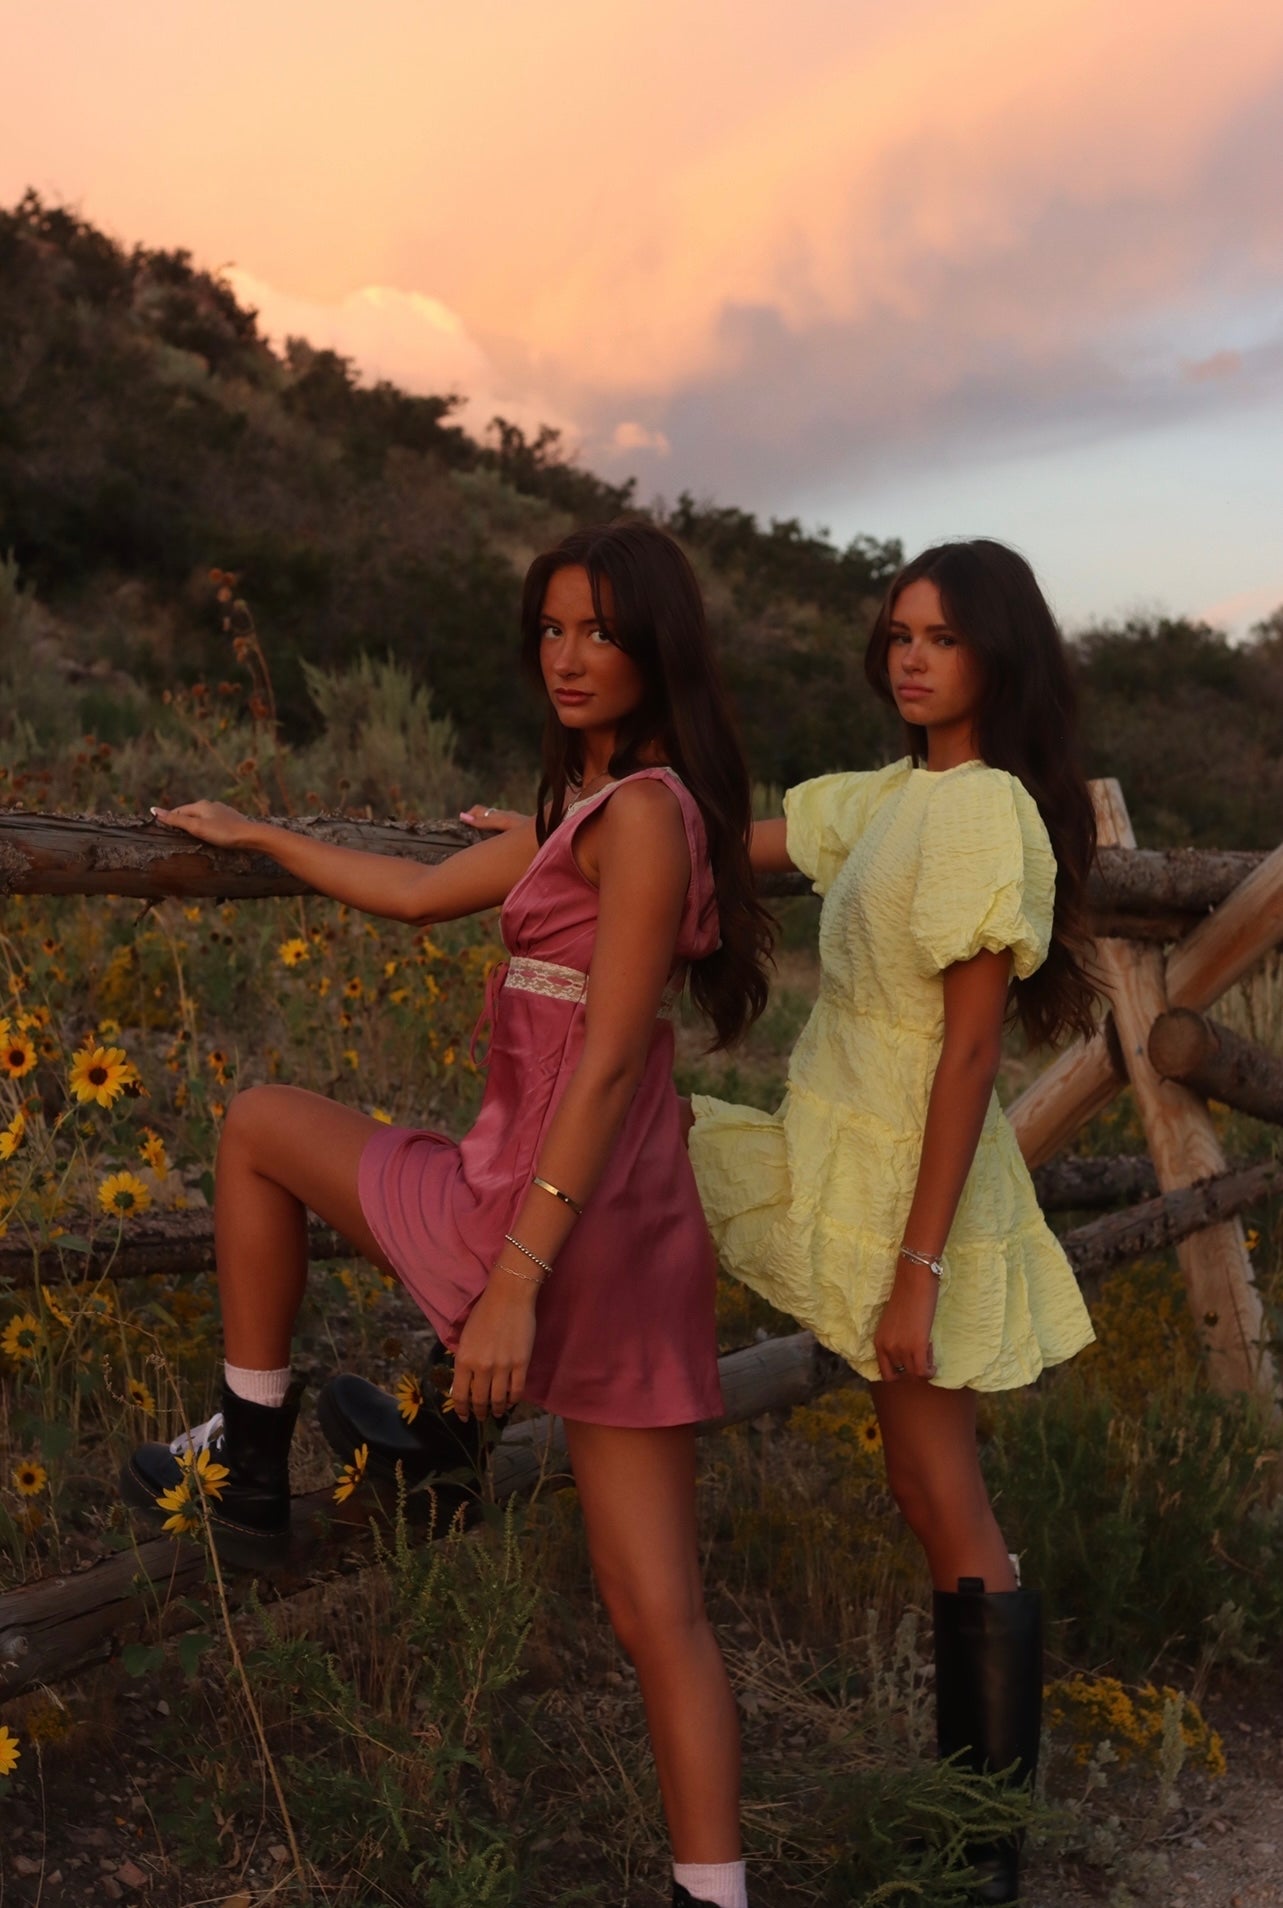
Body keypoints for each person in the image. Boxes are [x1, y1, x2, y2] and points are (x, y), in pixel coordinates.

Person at [121, 521, 772, 1908]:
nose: (568, 657)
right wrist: (263, 832)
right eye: (551, 630)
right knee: (658, 1611)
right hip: (620, 1226)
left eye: (600, 631)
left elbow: (609, 1058)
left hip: (534, 1218)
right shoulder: (613, 814)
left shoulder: (640, 818)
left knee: (256, 1124)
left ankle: (253, 1450)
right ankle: (713, 1894)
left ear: (658, 645)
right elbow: (418, 895)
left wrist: (517, 1281)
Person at [467, 536, 1098, 1904]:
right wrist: (555, 834)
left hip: (914, 1185)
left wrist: (919, 1268)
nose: (911, 659)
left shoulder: (987, 811)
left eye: (942, 638)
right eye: (899, 635)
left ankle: (977, 1856)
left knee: (939, 1495)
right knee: (640, 1161)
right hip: (836, 1150)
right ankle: (452, 1391)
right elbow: (696, 833)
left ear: (1000, 657)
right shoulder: (893, 796)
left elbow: (971, 1056)